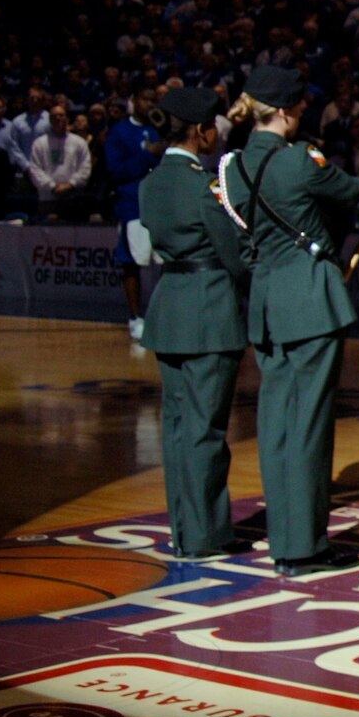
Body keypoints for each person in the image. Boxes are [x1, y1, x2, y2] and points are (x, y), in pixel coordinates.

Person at [219, 64, 359, 575]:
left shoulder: (234, 168)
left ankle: (285, 536)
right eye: (301, 109)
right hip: (311, 302)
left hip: (266, 305)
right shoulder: (301, 161)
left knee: (278, 428)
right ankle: (304, 546)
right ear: (285, 113)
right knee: (308, 427)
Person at [138, 86, 252, 561]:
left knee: (179, 429)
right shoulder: (203, 185)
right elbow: (234, 255)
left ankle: (186, 529)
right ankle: (206, 535)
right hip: (209, 313)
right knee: (206, 432)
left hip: (170, 309)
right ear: (202, 132)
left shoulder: (151, 184)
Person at [107, 86, 164, 341]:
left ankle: (163, 314)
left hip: (161, 204)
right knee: (132, 262)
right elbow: (115, 171)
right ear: (133, 101)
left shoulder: (161, 129)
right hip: (133, 205)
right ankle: (134, 318)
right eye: (145, 98)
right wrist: (146, 155)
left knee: (166, 262)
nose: (150, 104)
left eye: (154, 100)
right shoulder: (120, 131)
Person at [25, 100, 93, 221]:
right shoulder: (40, 143)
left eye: (61, 115)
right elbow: (35, 170)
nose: (57, 118)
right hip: (47, 199)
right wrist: (52, 187)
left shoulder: (79, 142)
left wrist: (70, 184)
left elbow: (85, 168)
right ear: (49, 120)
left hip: (73, 197)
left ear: (67, 119)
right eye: (54, 116)